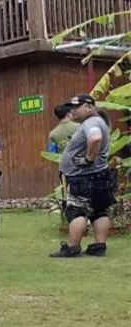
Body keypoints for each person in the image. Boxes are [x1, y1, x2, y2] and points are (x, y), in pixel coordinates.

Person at [50, 95, 113, 258]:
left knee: (76, 210)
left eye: (77, 107)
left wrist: (88, 159)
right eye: (72, 108)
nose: (73, 111)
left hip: (84, 176)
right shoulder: (98, 121)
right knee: (99, 211)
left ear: (90, 107)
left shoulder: (91, 123)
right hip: (100, 174)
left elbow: (95, 138)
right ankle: (99, 246)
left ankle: (73, 247)